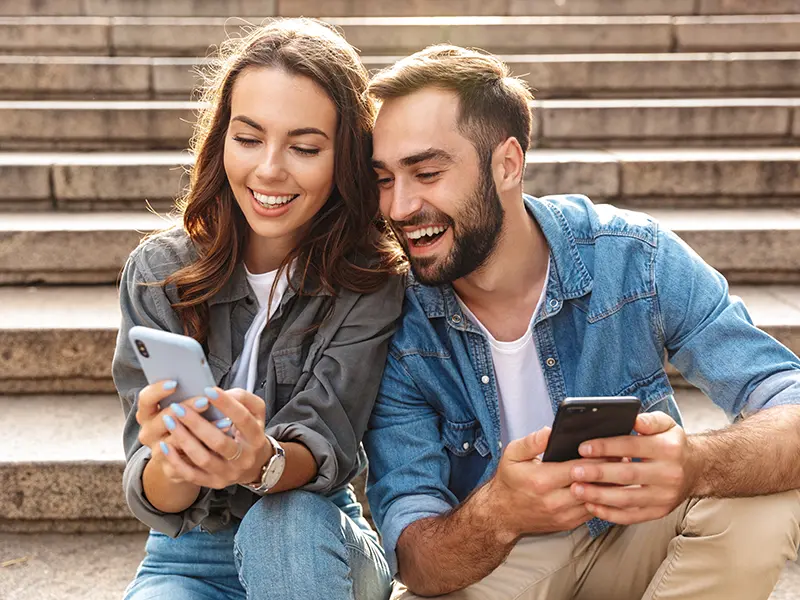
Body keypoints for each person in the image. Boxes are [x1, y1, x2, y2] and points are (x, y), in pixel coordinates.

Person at [363, 45, 800, 600]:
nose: (399, 207)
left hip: (637, 533)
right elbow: (414, 557)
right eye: (384, 178)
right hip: (505, 559)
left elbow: (790, 401)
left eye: (426, 172)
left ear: (507, 164)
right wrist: (500, 510)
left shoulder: (632, 258)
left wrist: (693, 464)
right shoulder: (396, 323)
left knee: (766, 492)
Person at [112, 18, 404, 600]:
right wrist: (175, 461)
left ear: (345, 156)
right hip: (192, 553)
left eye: (304, 147)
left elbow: (328, 444)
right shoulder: (158, 272)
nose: (270, 168)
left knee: (284, 522)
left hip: (316, 535)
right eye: (248, 139)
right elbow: (151, 493)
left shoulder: (370, 283)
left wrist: (259, 460)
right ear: (221, 140)